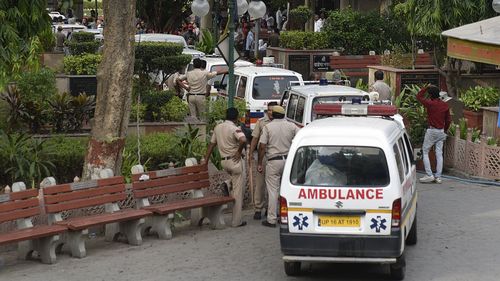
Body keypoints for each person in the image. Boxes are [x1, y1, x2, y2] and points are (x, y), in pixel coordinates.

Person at [204, 108, 247, 228]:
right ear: (236, 117)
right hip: (235, 161)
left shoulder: (218, 128)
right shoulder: (234, 128)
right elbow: (243, 139)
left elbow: (211, 144)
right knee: (238, 193)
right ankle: (236, 221)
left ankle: (227, 183)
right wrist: (239, 151)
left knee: (234, 182)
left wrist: (205, 160)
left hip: (224, 162)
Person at [258, 106, 300, 227]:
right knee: (286, 190)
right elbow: (300, 136)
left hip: (273, 161)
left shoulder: (268, 127)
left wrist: (260, 162)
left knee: (272, 190)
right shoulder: (291, 126)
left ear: (273, 115)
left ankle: (271, 218)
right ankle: (284, 217)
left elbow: (262, 146)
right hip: (288, 161)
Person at [417, 85, 451, 184]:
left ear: (430, 95)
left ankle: (429, 174)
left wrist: (425, 88)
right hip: (441, 131)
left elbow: (419, 97)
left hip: (432, 131)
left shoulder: (430, 103)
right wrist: (445, 130)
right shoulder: (444, 105)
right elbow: (448, 120)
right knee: (439, 153)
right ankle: (438, 177)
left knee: (425, 151)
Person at [250, 102, 278, 220]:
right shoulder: (261, 122)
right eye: (269, 110)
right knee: (260, 184)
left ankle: (269, 208)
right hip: (263, 156)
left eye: (273, 110)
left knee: (272, 186)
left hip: (274, 156)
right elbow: (255, 138)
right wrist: (250, 153)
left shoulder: (280, 122)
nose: (270, 112)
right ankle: (258, 208)